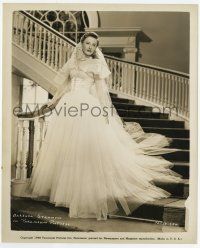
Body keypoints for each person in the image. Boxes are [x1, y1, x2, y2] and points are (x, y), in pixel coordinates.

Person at [26, 32, 183, 220]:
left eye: (93, 44)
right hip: (69, 105)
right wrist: (53, 103)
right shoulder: (72, 61)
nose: (90, 47)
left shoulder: (97, 64)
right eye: (87, 43)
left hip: (87, 107)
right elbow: (65, 86)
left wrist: (105, 112)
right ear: (81, 43)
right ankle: (67, 193)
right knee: (67, 150)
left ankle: (83, 196)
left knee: (85, 152)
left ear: (96, 47)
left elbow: (101, 92)